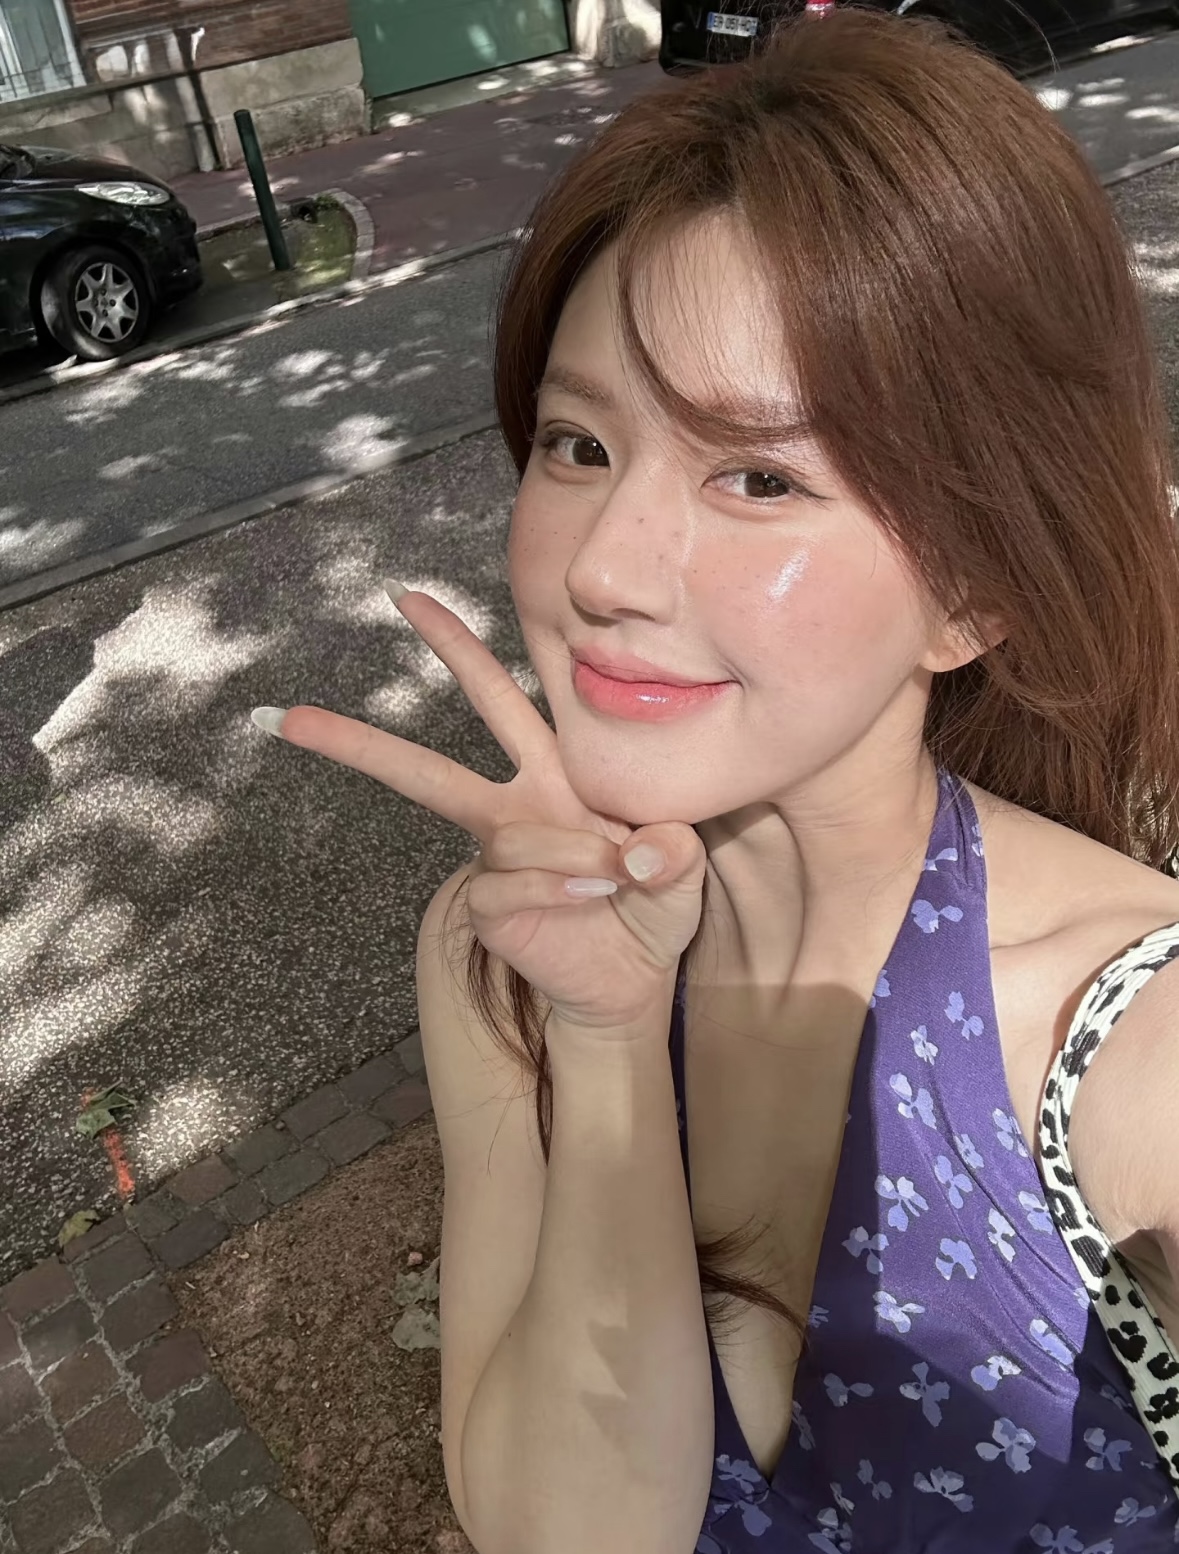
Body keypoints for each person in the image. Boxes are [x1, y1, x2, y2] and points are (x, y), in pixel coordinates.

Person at [250, 7, 1179, 1550]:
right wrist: (608, 1035)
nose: (604, 568)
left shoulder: (1130, 1039)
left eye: (758, 475)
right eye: (578, 445)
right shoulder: (500, 956)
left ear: (970, 592)